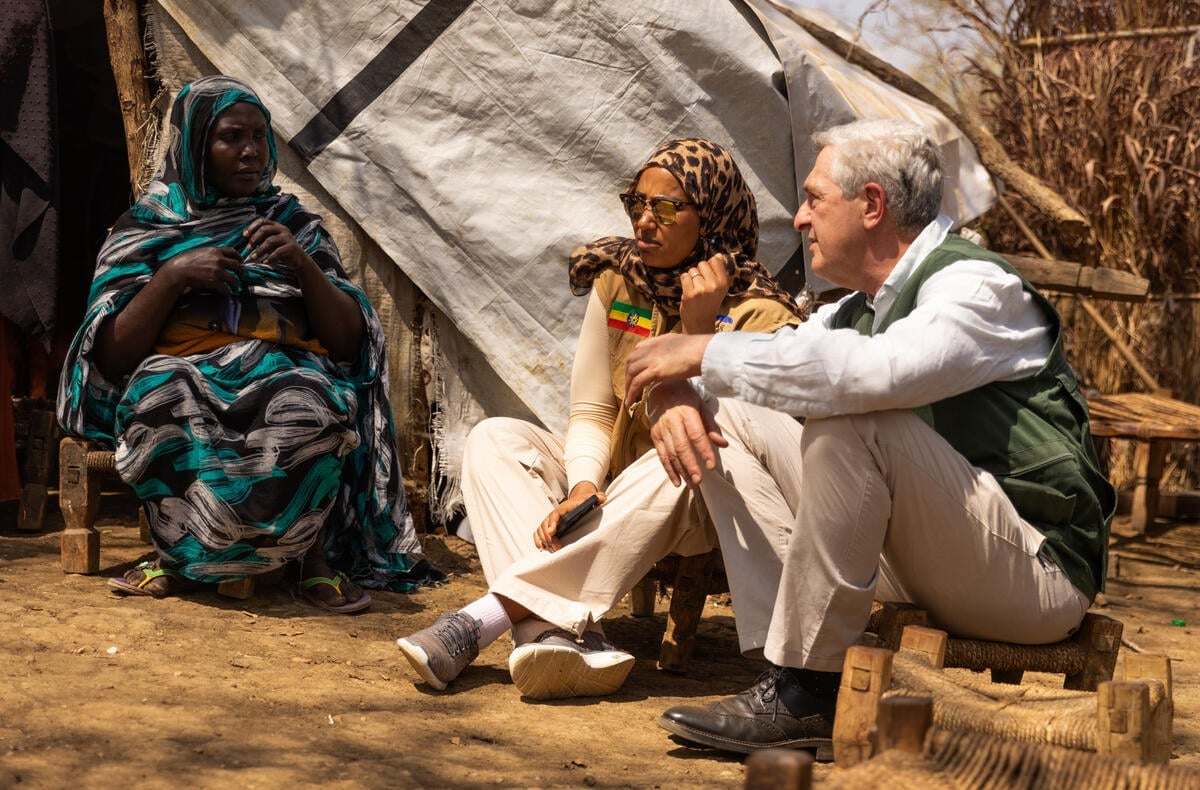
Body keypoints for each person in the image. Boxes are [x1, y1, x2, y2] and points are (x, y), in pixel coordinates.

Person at [622, 118, 1115, 757]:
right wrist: (678, 391)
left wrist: (700, 351)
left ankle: (809, 689)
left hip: (1033, 574)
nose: (799, 219)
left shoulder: (977, 286)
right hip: (934, 557)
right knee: (732, 418)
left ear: (873, 205)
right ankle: (785, 670)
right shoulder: (858, 307)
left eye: (813, 199)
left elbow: (875, 376)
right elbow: (769, 366)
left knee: (856, 416)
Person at [396, 138, 803, 699]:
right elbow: (593, 408)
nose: (644, 220)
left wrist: (697, 325)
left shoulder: (764, 313)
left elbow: (730, 434)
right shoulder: (620, 280)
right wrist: (584, 483)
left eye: (665, 208)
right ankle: (559, 634)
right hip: (612, 488)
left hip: (691, 497)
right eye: (637, 202)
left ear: (709, 216)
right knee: (494, 438)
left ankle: (488, 618)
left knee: (686, 445)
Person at [56, 76, 441, 609]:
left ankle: (310, 560)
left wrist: (302, 265)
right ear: (195, 148)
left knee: (310, 401)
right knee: (161, 398)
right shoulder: (145, 227)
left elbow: (351, 341)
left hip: (285, 365)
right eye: (231, 137)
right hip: (180, 368)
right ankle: (178, 555)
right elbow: (110, 354)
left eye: (260, 137)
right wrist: (172, 276)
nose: (251, 152)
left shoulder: (293, 225)